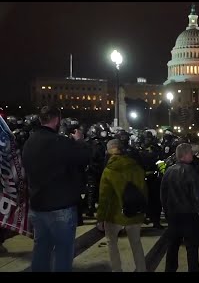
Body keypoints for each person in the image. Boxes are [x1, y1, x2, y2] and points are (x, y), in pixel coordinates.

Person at [22, 106, 90, 272]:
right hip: (60, 208)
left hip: (37, 207)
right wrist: (80, 141)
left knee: (41, 250)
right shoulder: (60, 142)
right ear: (56, 119)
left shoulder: (29, 143)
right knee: (63, 253)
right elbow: (84, 158)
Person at [96, 139, 147, 272]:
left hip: (114, 216)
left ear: (108, 151)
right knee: (136, 244)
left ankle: (117, 269)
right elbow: (143, 190)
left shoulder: (109, 170)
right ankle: (142, 269)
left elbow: (104, 197)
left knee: (112, 244)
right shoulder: (136, 167)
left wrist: (100, 218)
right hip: (134, 213)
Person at [161, 143, 199, 272]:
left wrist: (167, 212)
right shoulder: (191, 172)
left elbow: (163, 196)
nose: (192, 155)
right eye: (191, 153)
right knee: (192, 250)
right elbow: (198, 197)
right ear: (186, 154)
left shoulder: (168, 171)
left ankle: (170, 270)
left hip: (174, 217)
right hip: (190, 217)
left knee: (172, 247)